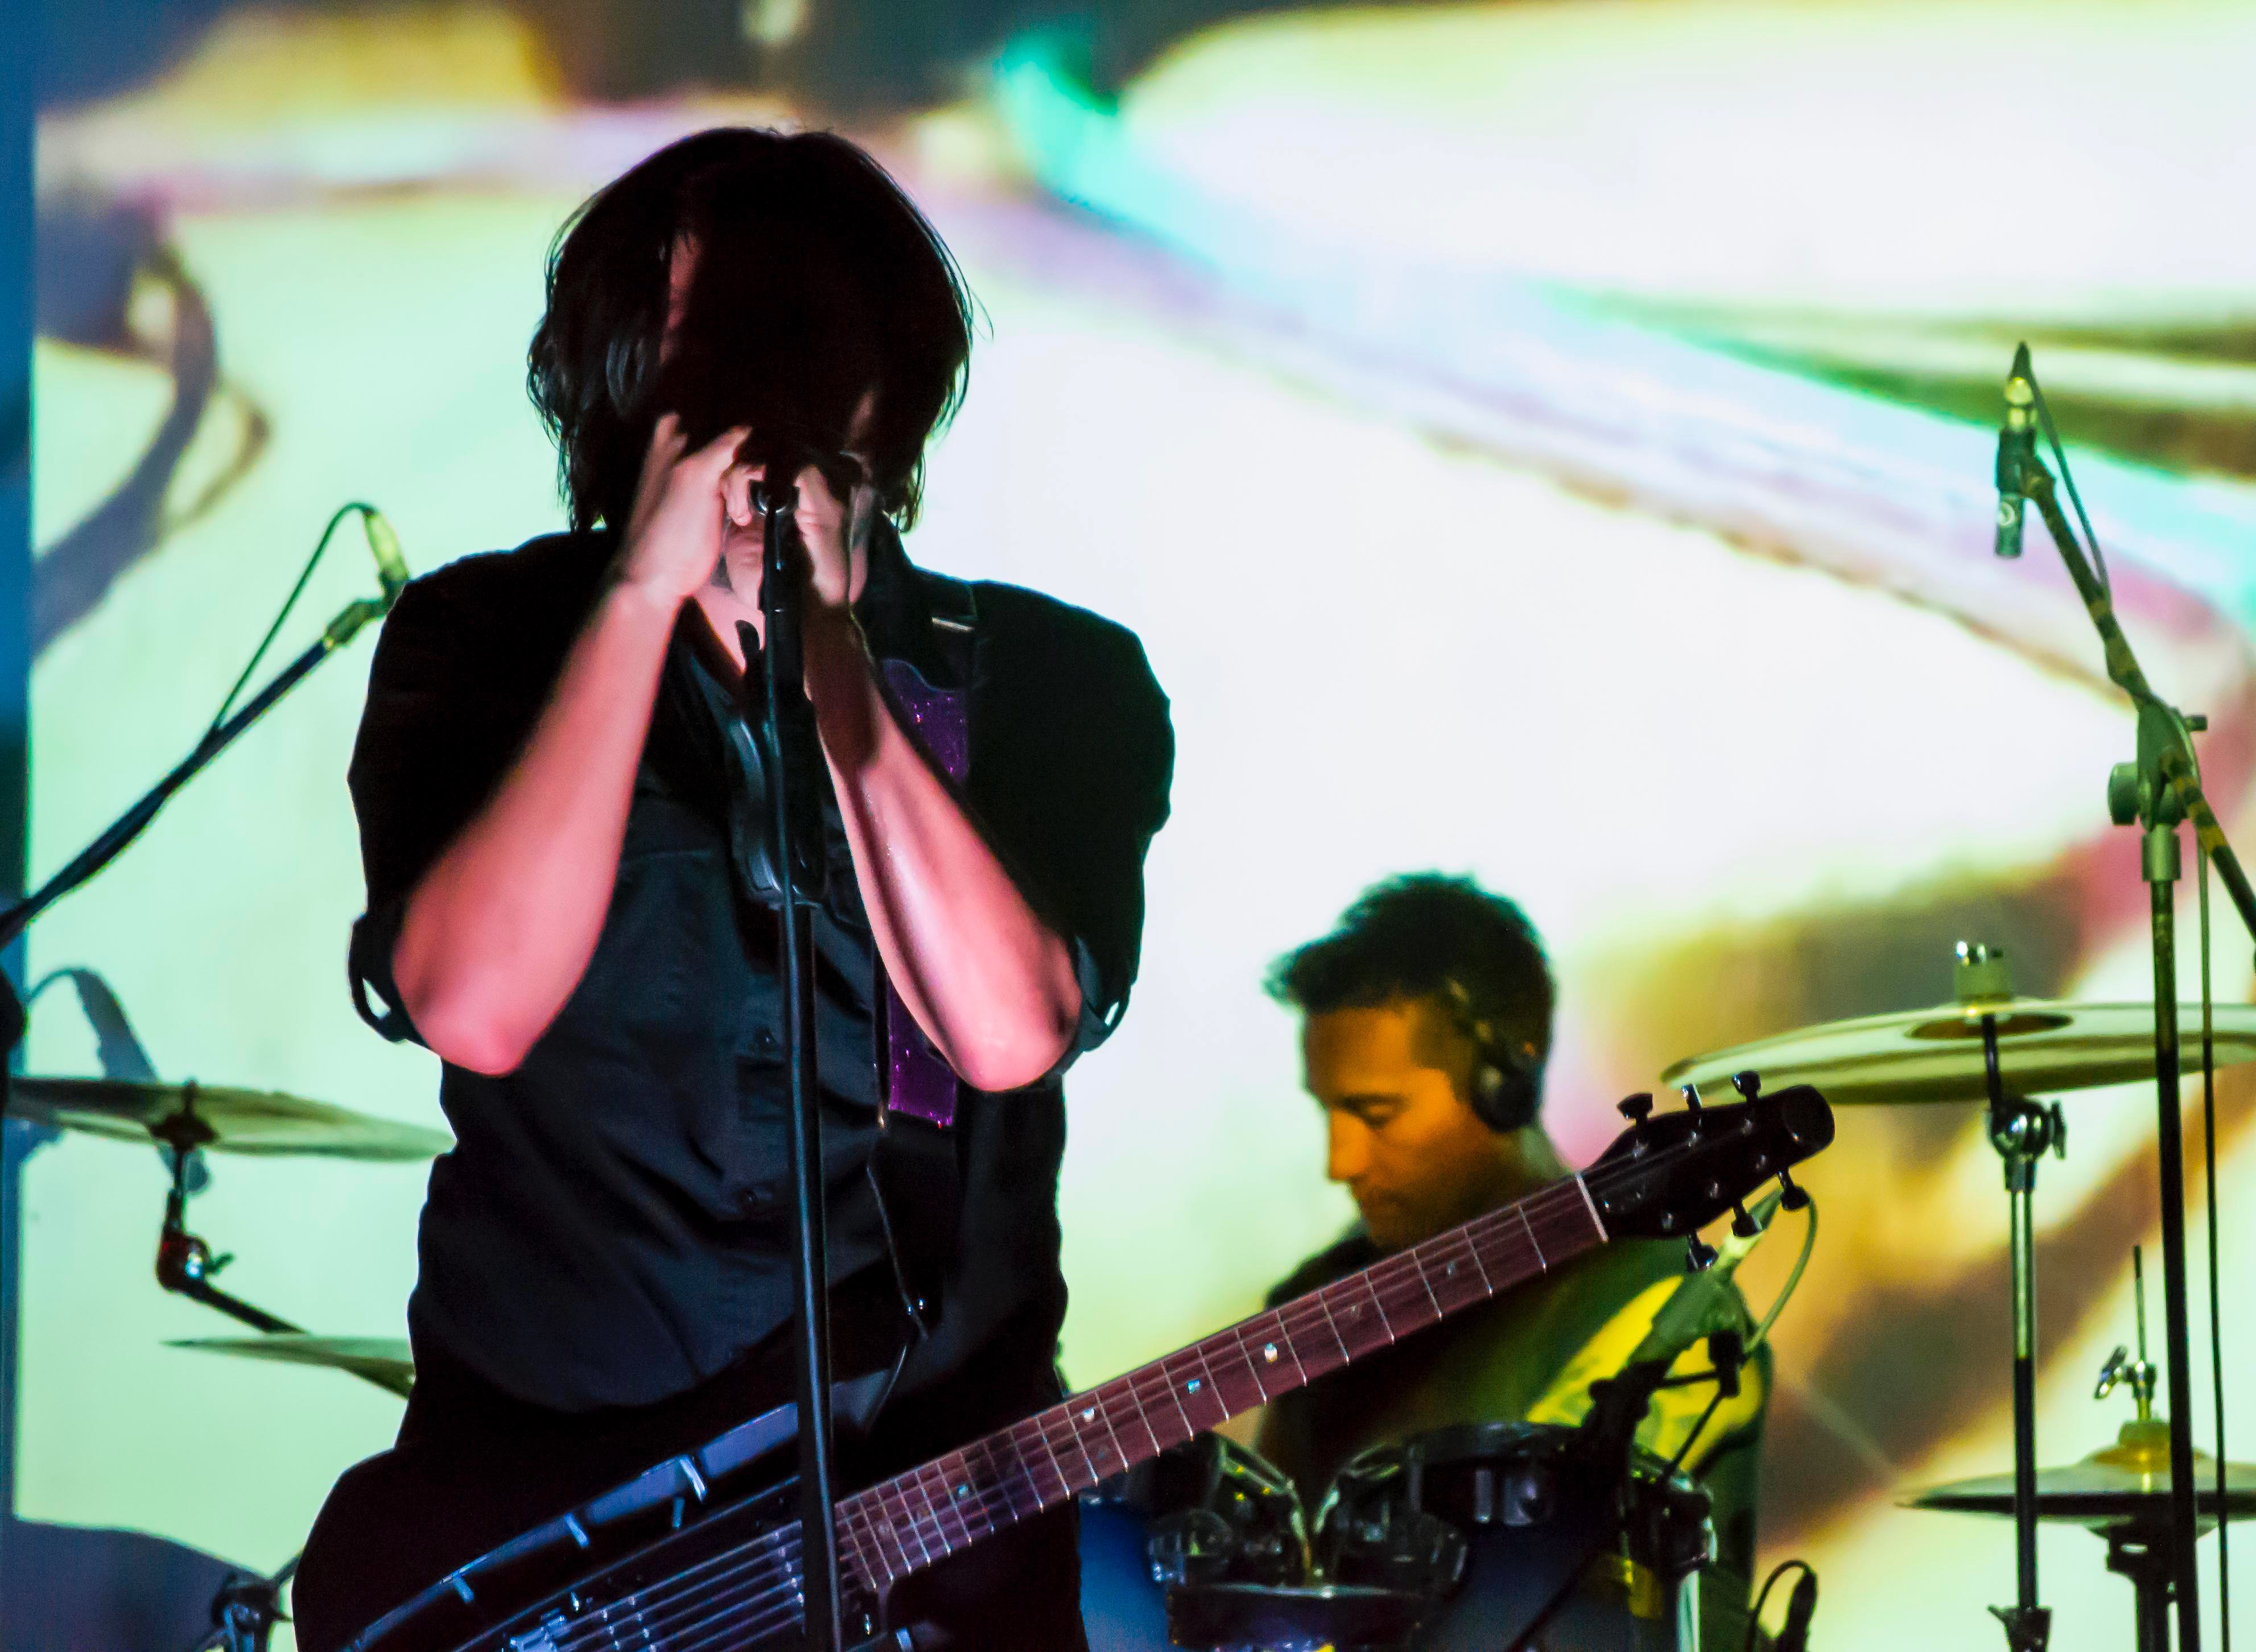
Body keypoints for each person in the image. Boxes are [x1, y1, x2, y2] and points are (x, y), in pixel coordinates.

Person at [292, 127, 1172, 1651]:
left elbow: (1008, 1033)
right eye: (712, 347)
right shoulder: (477, 642)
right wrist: (640, 596)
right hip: (544, 1550)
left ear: (885, 388)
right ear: (623, 373)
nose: (755, 407)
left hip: (928, 1561)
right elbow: (473, 1010)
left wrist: (834, 665)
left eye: (802, 343)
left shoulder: (1052, 680)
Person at [1250, 874, 1768, 1581]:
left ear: (1506, 1084)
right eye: (1327, 1113)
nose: (1340, 1163)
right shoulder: (1318, 1302)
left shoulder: (1660, 1309)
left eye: (1375, 1115)